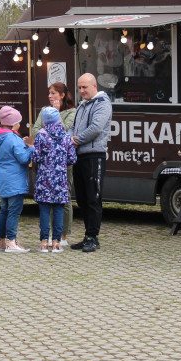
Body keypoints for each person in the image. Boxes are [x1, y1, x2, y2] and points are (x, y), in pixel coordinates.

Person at [30, 82, 77, 245]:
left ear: (62, 95)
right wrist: (45, 131)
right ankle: (50, 236)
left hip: (62, 166)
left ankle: (62, 235)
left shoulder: (72, 111)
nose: (49, 96)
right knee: (47, 201)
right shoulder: (44, 110)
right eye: (49, 93)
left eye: (53, 93)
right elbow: (35, 130)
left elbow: (65, 130)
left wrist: (54, 116)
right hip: (45, 165)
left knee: (63, 200)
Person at [70, 73, 112, 253]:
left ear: (94, 86)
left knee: (93, 198)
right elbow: (73, 125)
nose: (81, 91)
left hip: (94, 155)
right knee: (82, 198)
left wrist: (77, 140)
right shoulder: (81, 105)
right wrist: (70, 137)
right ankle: (87, 234)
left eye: (85, 87)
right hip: (79, 155)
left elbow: (96, 128)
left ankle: (93, 237)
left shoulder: (103, 104)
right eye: (79, 88)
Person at [0, 105, 33, 253]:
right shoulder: (12, 138)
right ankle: (11, 241)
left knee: (4, 210)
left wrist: (21, 143)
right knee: (14, 211)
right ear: (13, 123)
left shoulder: (0, 136)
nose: (20, 124)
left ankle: (0, 241)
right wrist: (30, 147)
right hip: (15, 180)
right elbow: (23, 159)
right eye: (19, 122)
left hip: (3, 179)